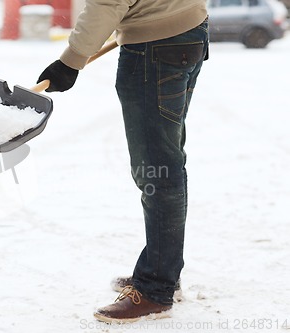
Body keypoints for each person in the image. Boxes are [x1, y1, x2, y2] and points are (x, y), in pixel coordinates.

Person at [37, 0, 209, 323]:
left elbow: (108, 2)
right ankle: (164, 271)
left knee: (157, 168)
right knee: (167, 160)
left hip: (155, 49)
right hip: (188, 31)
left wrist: (70, 61)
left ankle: (156, 286)